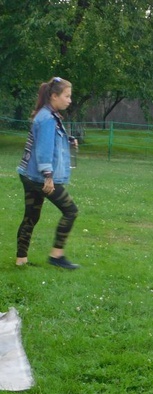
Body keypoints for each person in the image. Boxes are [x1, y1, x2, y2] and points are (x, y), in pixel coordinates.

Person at [16, 77, 80, 269]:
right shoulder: (47, 118)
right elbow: (43, 151)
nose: (69, 100)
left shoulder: (47, 115)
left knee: (31, 217)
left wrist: (67, 140)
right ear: (54, 96)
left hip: (29, 174)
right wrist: (48, 177)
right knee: (71, 211)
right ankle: (57, 256)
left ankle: (21, 261)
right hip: (39, 176)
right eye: (67, 96)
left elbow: (47, 140)